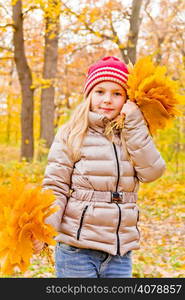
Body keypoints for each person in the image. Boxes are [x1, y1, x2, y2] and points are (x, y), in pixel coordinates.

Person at [33, 56, 166, 278]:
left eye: (117, 93)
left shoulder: (132, 134)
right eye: (100, 91)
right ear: (89, 95)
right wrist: (44, 229)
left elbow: (152, 171)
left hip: (119, 253)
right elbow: (55, 186)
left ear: (127, 100)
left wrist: (133, 123)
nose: (107, 99)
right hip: (77, 251)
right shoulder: (71, 133)